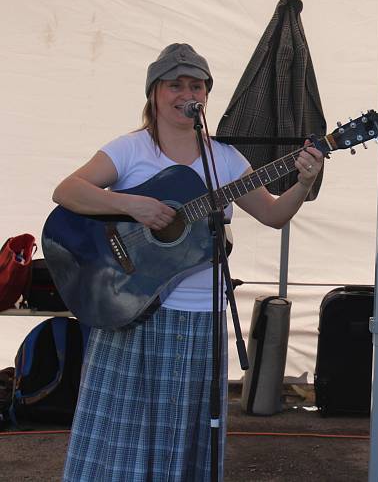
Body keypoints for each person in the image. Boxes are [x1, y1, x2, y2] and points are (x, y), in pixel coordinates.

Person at [57, 43, 323, 481]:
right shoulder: (130, 150)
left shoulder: (225, 159)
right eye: (174, 84)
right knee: (126, 426)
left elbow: (273, 215)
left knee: (185, 429)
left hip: (202, 313)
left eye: (196, 85)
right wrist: (134, 207)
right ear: (154, 94)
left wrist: (303, 182)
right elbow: (68, 190)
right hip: (133, 305)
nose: (186, 92)